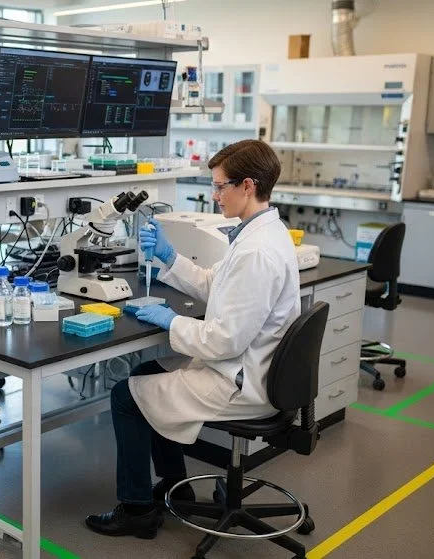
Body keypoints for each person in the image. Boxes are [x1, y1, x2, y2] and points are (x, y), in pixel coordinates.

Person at [85, 139, 301, 539]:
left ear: (248, 186)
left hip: (240, 380)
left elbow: (224, 341)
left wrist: (170, 322)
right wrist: (170, 259)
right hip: (251, 367)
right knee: (147, 371)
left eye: (221, 186)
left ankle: (136, 510)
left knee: (125, 397)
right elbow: (214, 284)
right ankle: (172, 484)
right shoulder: (262, 234)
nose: (214, 195)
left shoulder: (257, 252)